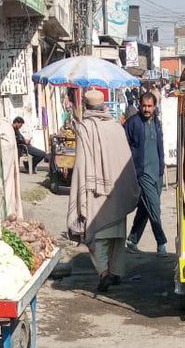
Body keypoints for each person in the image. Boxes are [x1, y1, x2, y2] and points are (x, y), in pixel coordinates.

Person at [68, 88, 139, 292]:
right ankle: (116, 272)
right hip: (118, 188)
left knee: (98, 234)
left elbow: (81, 162)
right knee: (117, 235)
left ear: (87, 106)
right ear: (103, 105)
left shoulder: (85, 128)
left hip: (96, 190)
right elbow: (125, 159)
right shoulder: (117, 127)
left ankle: (104, 273)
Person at [124, 90, 168, 255]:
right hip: (142, 173)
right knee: (155, 207)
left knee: (146, 207)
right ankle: (161, 242)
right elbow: (123, 144)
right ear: (139, 106)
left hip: (157, 173)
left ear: (155, 107)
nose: (146, 109)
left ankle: (132, 240)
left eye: (150, 106)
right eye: (144, 106)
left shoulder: (156, 122)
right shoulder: (132, 123)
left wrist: (161, 168)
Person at [0, 117, 24, 220]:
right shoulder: (8, 127)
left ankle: (6, 211)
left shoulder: (5, 127)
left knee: (4, 184)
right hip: (8, 156)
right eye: (20, 125)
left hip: (6, 158)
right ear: (16, 123)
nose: (20, 127)